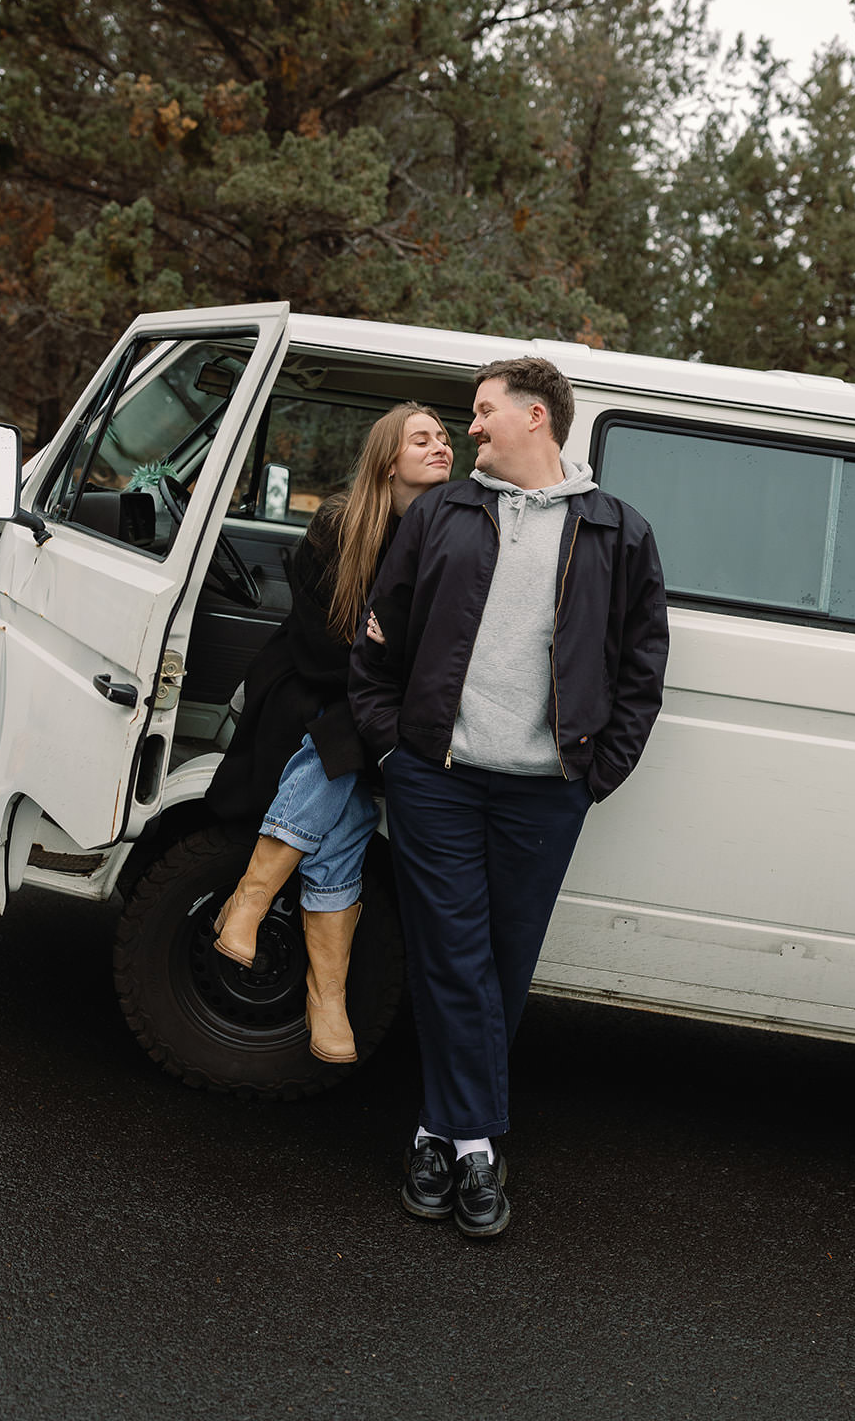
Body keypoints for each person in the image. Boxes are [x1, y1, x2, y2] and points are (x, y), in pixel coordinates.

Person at [349, 357, 669, 1237]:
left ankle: (434, 1131)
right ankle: (479, 1147)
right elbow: (378, 638)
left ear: (537, 416)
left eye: (484, 413)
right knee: (452, 954)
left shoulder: (618, 532)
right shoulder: (445, 514)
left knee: (501, 964)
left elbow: (642, 672)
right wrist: (395, 751)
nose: (472, 429)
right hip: (437, 783)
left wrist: (595, 774)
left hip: (545, 794)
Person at [204, 403, 453, 1065]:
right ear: (387, 459)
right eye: (420, 439)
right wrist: (383, 674)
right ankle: (322, 993)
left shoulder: (447, 531)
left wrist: (386, 672)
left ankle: (251, 909)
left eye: (443, 437)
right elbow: (322, 647)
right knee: (340, 749)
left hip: (367, 705)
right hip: (305, 688)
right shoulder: (338, 526)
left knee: (343, 799)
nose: (439, 446)